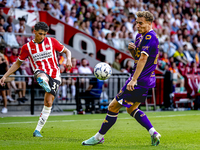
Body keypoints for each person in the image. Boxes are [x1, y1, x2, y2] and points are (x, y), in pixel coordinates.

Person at [82, 11, 161, 146]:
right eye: (136, 22)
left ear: (149, 23)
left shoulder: (150, 37)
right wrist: (132, 51)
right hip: (145, 80)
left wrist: (134, 79)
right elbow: (137, 58)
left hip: (140, 79)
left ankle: (98, 137)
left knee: (113, 106)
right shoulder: (139, 37)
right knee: (132, 109)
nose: (137, 25)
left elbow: (143, 59)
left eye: (140, 23)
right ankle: (153, 133)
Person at [0, 22, 72, 137]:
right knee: (40, 74)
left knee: (48, 102)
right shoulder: (27, 47)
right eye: (40, 34)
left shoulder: (52, 41)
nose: (42, 36)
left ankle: (37, 130)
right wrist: (5, 75)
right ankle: (43, 81)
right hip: (40, 71)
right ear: (34, 31)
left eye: (44, 34)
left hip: (55, 74)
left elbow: (67, 51)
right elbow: (17, 63)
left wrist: (68, 59)